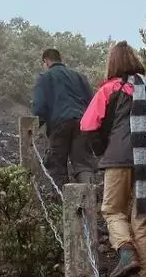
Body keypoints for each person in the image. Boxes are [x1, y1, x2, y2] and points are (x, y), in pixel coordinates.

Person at [79, 41, 146, 277]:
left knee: (112, 210)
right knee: (143, 215)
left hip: (118, 160)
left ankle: (126, 251)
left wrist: (101, 148)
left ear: (113, 63)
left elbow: (88, 125)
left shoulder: (109, 89)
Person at [31, 48, 97, 187]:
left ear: (46, 61)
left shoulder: (45, 77)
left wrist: (37, 126)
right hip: (82, 123)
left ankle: (60, 204)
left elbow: (39, 107)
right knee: (83, 163)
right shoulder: (79, 76)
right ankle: (89, 202)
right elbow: (92, 102)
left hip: (59, 124)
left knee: (56, 165)